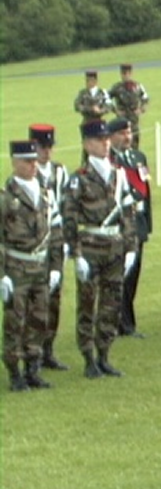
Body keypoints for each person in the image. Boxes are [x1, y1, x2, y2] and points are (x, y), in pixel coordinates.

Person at [63, 119, 138, 378]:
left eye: (107, 139)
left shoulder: (118, 174)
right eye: (99, 140)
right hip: (91, 247)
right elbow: (69, 219)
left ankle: (104, 353)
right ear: (86, 144)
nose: (105, 144)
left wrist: (130, 247)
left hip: (115, 247)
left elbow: (128, 213)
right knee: (87, 304)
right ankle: (88, 358)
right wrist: (76, 254)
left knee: (111, 303)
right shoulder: (79, 179)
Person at [2, 140, 64, 391]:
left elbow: (56, 232)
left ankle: (33, 368)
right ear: (15, 163)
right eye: (27, 161)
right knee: (15, 322)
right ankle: (14, 371)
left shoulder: (46, 194)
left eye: (34, 161)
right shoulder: (6, 198)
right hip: (16, 267)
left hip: (40, 267)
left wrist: (56, 267)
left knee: (39, 319)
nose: (32, 166)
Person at [29, 124, 70, 370]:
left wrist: (65, 242)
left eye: (49, 147)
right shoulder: (28, 174)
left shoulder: (60, 172)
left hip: (56, 239)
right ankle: (32, 350)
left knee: (54, 298)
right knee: (35, 300)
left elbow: (67, 207)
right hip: (35, 244)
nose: (46, 152)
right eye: (42, 147)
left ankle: (48, 349)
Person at [109, 119, 151, 338]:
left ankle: (127, 320)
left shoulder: (138, 157)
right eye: (122, 133)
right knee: (119, 276)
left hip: (138, 221)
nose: (127, 137)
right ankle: (119, 322)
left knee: (133, 275)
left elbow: (146, 191)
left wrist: (147, 224)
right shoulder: (108, 160)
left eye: (129, 132)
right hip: (120, 224)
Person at [107, 64, 149, 149]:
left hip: (134, 120)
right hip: (122, 119)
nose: (126, 76)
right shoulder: (117, 87)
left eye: (128, 73)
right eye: (124, 74)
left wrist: (141, 109)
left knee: (135, 141)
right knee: (122, 142)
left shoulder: (137, 86)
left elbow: (145, 97)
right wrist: (115, 110)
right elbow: (107, 99)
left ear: (131, 74)